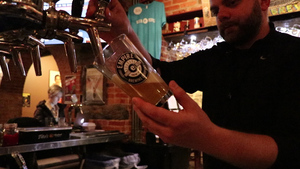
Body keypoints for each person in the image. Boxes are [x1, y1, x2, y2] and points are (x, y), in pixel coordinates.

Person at [86, 0, 300, 168]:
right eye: (216, 11)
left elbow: (291, 150)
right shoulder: (215, 58)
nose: (222, 15)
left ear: (263, 2)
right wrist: (124, 31)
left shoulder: (293, 55)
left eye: (232, 2)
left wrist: (206, 138)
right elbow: (159, 75)